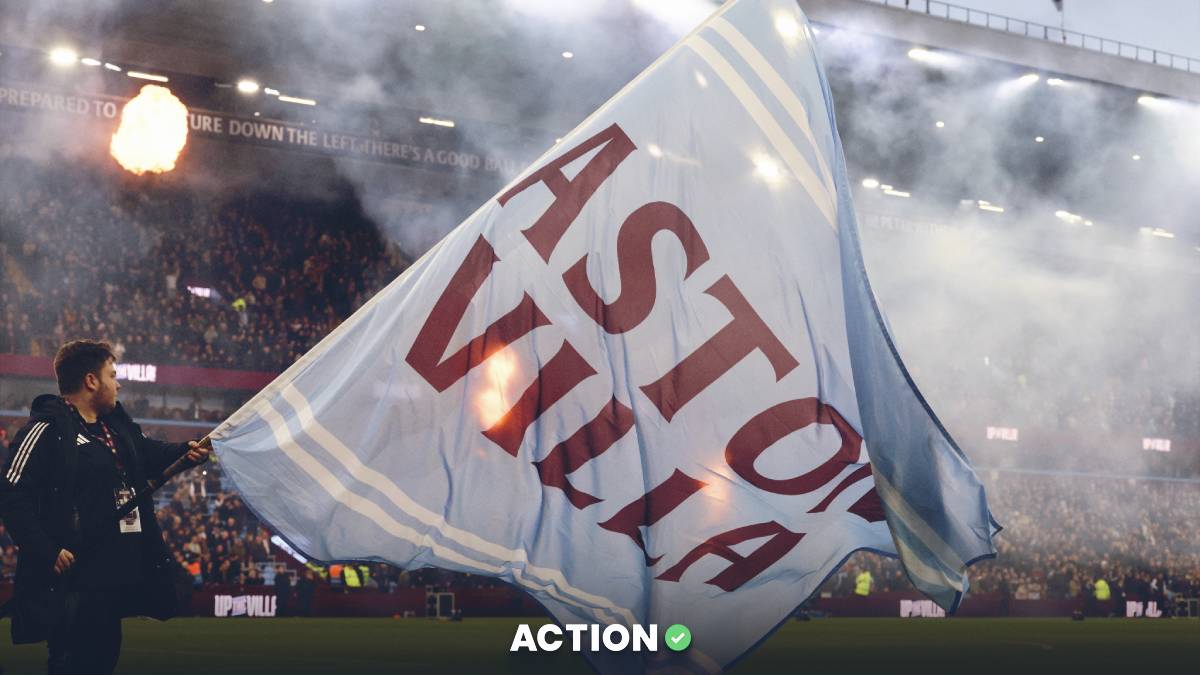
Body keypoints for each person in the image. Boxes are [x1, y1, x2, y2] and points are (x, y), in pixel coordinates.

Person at [0, 340, 211, 674]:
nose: (118, 384)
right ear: (90, 380)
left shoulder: (115, 428)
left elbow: (147, 454)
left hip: (112, 579)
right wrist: (46, 549)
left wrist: (186, 450)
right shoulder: (45, 429)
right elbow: (11, 493)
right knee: (73, 664)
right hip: (74, 583)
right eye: (112, 375)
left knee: (102, 661)